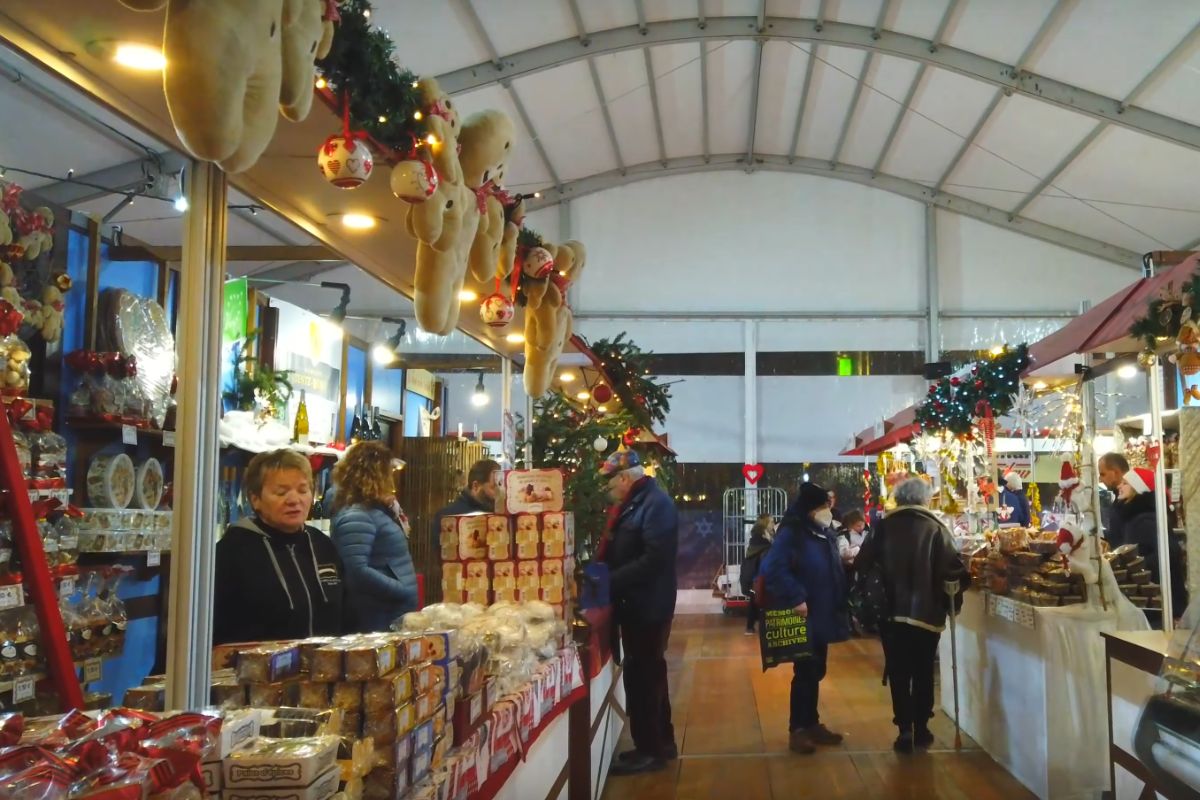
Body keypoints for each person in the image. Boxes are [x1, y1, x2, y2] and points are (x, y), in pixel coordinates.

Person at [856, 477, 965, 754]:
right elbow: (953, 570)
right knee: (923, 670)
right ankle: (922, 728)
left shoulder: (883, 527)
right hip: (926, 614)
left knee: (899, 671)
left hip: (889, 612)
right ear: (925, 499)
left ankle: (904, 728)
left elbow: (862, 562)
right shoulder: (936, 529)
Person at [214, 449, 348, 645]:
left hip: (324, 672)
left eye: (303, 490)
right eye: (281, 492)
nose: (294, 500)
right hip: (256, 673)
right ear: (255, 499)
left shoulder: (322, 545)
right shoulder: (232, 552)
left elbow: (348, 615)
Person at [600, 450, 679, 776]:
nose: (606, 489)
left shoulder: (654, 504)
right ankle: (662, 742)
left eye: (609, 482)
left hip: (648, 605)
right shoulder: (637, 502)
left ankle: (650, 750)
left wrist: (610, 580)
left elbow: (654, 559)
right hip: (638, 603)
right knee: (649, 673)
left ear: (624, 478)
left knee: (644, 677)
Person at [760, 482, 849, 755]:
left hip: (823, 612)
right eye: (823, 506)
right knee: (805, 672)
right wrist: (796, 596)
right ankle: (798, 729)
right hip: (805, 613)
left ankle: (811, 723)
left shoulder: (822, 531)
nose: (827, 511)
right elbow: (773, 569)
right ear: (811, 508)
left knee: (816, 670)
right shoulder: (793, 532)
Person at [330, 441, 419, 632]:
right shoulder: (357, 515)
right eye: (389, 472)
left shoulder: (374, 511)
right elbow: (356, 570)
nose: (392, 479)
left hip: (388, 612)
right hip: (377, 617)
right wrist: (401, 589)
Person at [1117, 468, 1187, 613]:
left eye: (1125, 483)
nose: (1119, 486)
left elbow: (1170, 551)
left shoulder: (1145, 519)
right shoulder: (1135, 516)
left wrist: (1135, 566)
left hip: (1156, 599)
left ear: (1138, 488)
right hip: (1151, 597)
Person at [739, 514, 774, 636]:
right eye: (771, 522)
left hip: (754, 575)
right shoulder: (763, 541)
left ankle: (750, 626)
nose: (773, 524)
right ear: (764, 524)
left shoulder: (756, 540)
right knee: (759, 600)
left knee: (755, 600)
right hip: (758, 575)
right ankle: (754, 626)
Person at [1098, 453, 1129, 542]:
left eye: (1103, 474)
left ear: (1115, 473)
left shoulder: (1131, 500)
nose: (1100, 479)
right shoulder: (1119, 499)